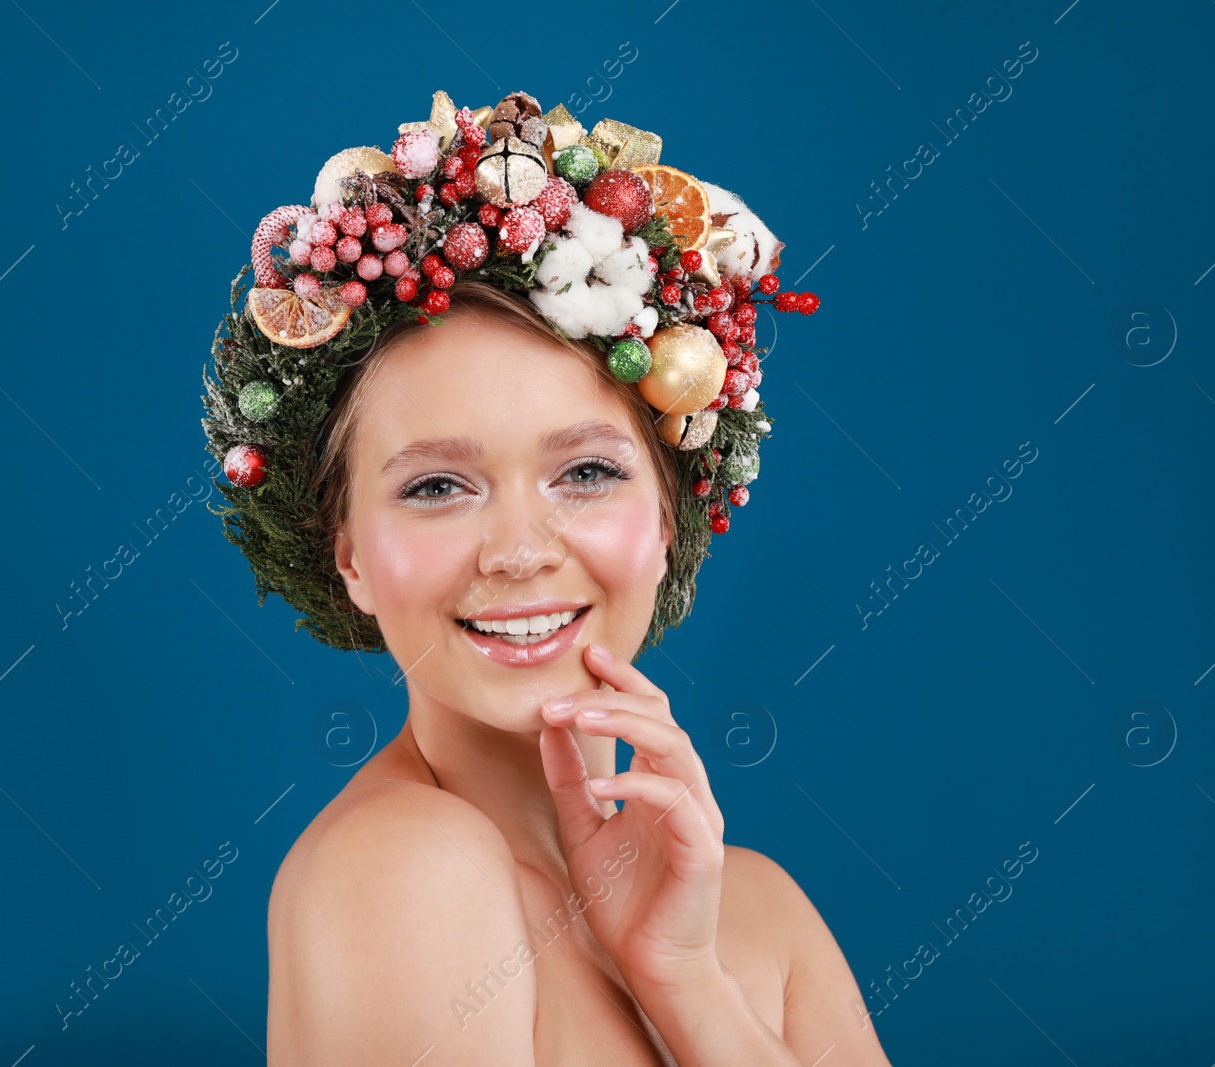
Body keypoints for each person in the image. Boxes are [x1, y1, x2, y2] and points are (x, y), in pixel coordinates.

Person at [201, 90, 889, 1064]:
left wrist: (687, 985)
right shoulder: (403, 869)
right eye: (438, 484)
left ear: (667, 516)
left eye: (588, 471)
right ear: (346, 552)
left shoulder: (754, 913)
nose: (519, 549)